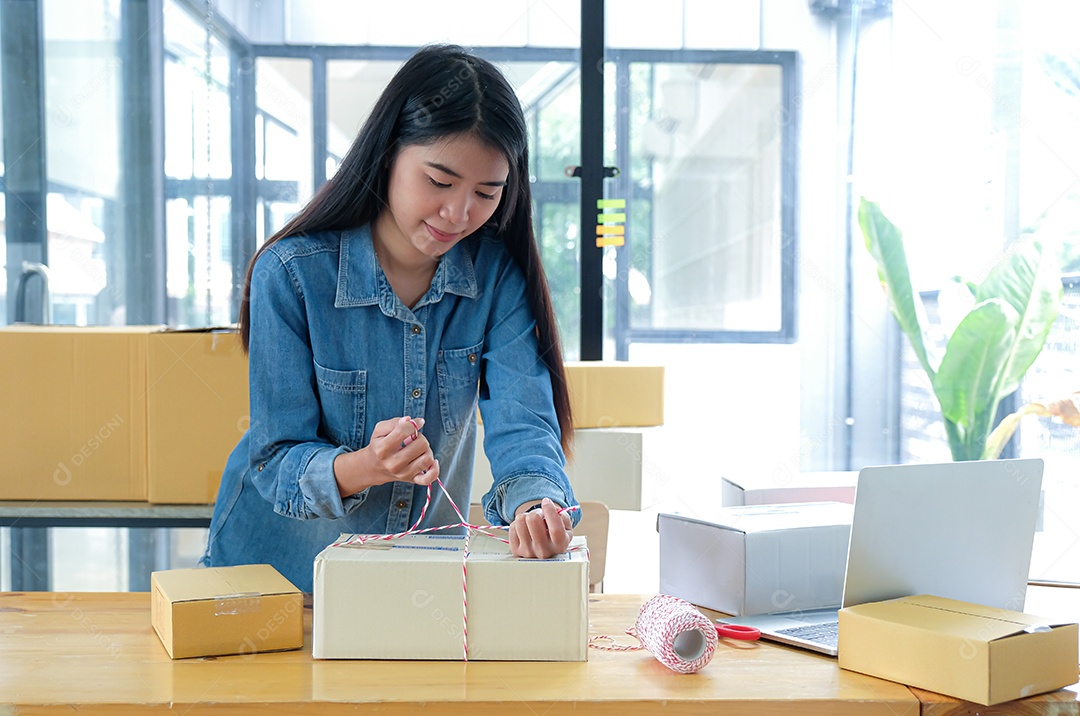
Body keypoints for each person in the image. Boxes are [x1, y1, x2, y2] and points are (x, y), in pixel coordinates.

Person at [202, 44, 579, 592]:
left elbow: (524, 423)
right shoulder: (290, 274)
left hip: (418, 583)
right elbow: (275, 462)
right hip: (278, 583)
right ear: (387, 155)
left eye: (486, 192)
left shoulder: (496, 277)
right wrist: (368, 466)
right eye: (440, 182)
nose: (459, 213)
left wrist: (537, 502)